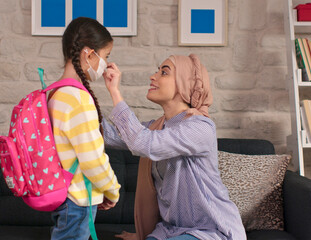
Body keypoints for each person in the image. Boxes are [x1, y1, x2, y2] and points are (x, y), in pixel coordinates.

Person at [102, 54, 246, 240]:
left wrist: (114, 92)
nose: (153, 76)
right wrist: (81, 102)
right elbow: (111, 135)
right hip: (171, 230)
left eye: (164, 72)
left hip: (211, 231)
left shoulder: (200, 127)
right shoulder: (157, 127)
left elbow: (143, 143)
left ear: (184, 84)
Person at [47, 17, 121, 240]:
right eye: (105, 56)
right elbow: (92, 158)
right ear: (89, 54)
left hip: (62, 196)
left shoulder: (54, 93)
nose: (106, 63)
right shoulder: (78, 98)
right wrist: (112, 190)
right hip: (77, 199)